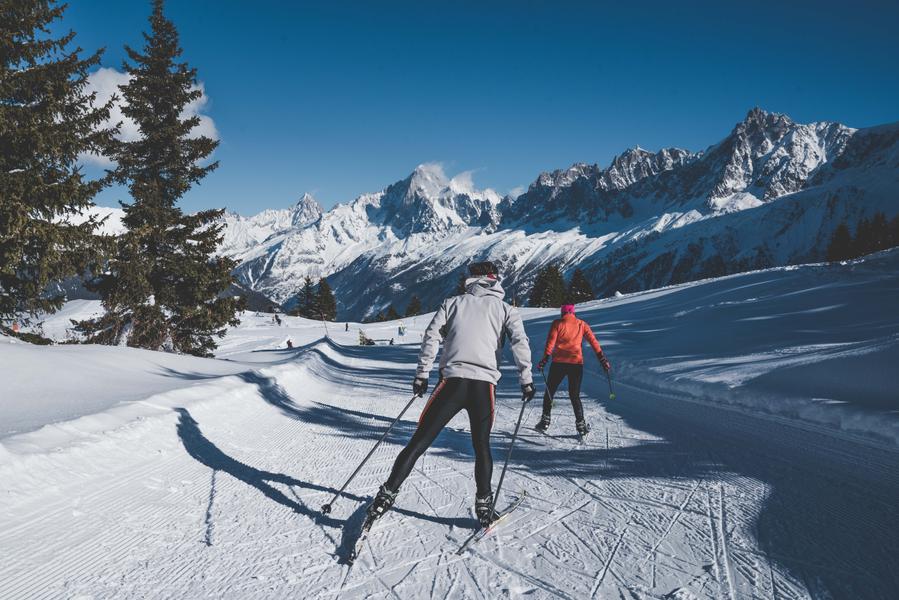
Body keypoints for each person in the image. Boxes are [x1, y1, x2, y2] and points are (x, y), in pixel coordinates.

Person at [364, 261, 535, 528]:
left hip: (451, 384)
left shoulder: (453, 303)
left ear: (472, 279)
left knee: (419, 441)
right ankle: (484, 505)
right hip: (483, 387)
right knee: (482, 446)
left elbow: (431, 336)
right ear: (494, 279)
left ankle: (386, 494)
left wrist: (422, 374)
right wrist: (526, 380)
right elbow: (519, 343)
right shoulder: (506, 310)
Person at [534, 304, 611, 437]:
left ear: (562, 313)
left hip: (558, 363)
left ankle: (545, 422)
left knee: (550, 391)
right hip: (576, 364)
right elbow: (594, 342)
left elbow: (550, 342)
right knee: (574, 395)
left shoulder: (557, 323)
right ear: (573, 313)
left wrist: (545, 359)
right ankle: (581, 426)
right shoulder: (582, 324)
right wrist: (602, 359)